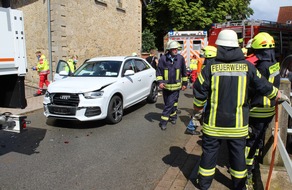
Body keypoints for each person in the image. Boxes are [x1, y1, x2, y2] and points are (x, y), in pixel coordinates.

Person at [192, 29, 289, 190]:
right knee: (238, 158)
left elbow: (199, 92)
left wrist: (197, 111)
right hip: (238, 126)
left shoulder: (210, 67)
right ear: (237, 47)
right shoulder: (248, 67)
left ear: (219, 47)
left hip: (213, 125)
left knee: (209, 156)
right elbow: (264, 86)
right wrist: (278, 95)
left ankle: (204, 185)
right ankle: (239, 186)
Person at [245, 32, 281, 180]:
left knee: (250, 139)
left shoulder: (261, 67)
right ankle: (253, 163)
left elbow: (254, 87)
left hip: (257, 108)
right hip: (269, 109)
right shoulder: (275, 64)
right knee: (259, 138)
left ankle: (247, 167)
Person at [156, 40, 188, 130]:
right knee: (169, 104)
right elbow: (158, 72)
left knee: (169, 104)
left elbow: (184, 72)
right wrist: (160, 82)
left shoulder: (180, 58)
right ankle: (173, 117)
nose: (175, 50)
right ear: (169, 50)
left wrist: (184, 83)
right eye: (173, 49)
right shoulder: (163, 59)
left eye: (176, 49)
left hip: (176, 87)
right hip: (166, 87)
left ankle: (163, 122)